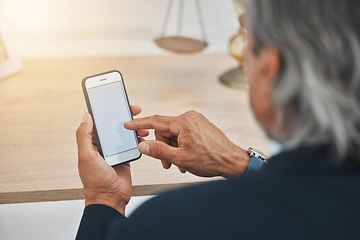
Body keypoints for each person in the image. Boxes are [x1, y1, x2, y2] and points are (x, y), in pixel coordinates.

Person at [75, 0, 360, 239]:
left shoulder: (167, 225)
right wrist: (240, 163)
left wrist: (104, 198)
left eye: (249, 37)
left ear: (271, 68)